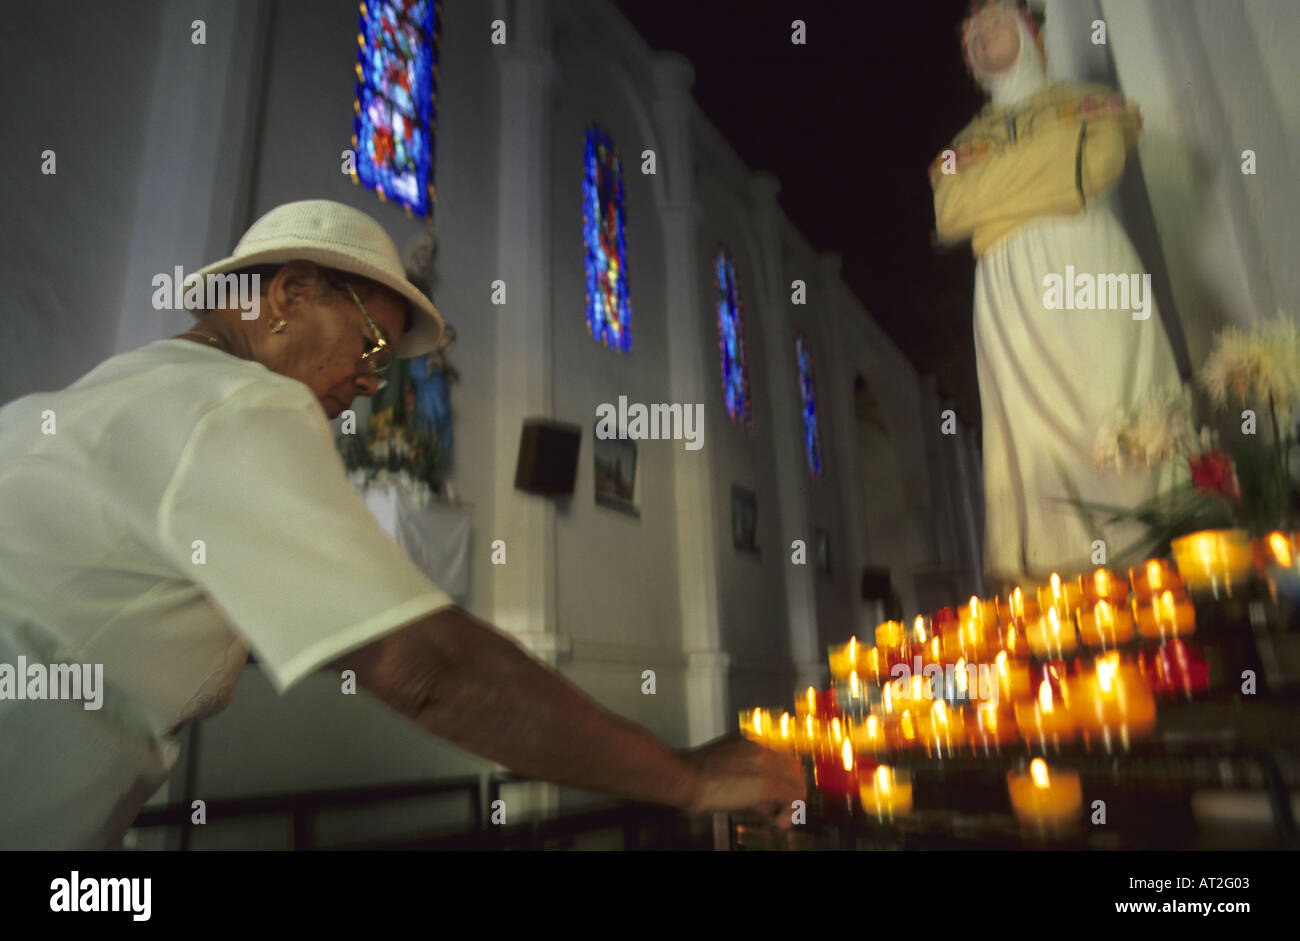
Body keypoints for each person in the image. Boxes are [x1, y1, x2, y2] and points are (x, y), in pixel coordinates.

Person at [0, 199, 804, 849]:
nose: (371, 379)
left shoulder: (110, 393)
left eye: (386, 363)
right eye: (372, 343)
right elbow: (428, 671)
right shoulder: (244, 402)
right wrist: (690, 777)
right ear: (288, 294)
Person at [929, 0, 1182, 586]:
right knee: (1034, 435)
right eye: (972, 33)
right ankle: (1065, 590)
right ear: (967, 60)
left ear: (1030, 32)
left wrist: (993, 187)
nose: (984, 34)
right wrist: (1051, 168)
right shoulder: (956, 147)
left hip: (1088, 271)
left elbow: (1096, 162)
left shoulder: (1091, 104)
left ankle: (1151, 577)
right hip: (1007, 293)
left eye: (996, 21)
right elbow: (950, 211)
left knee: (1112, 410)